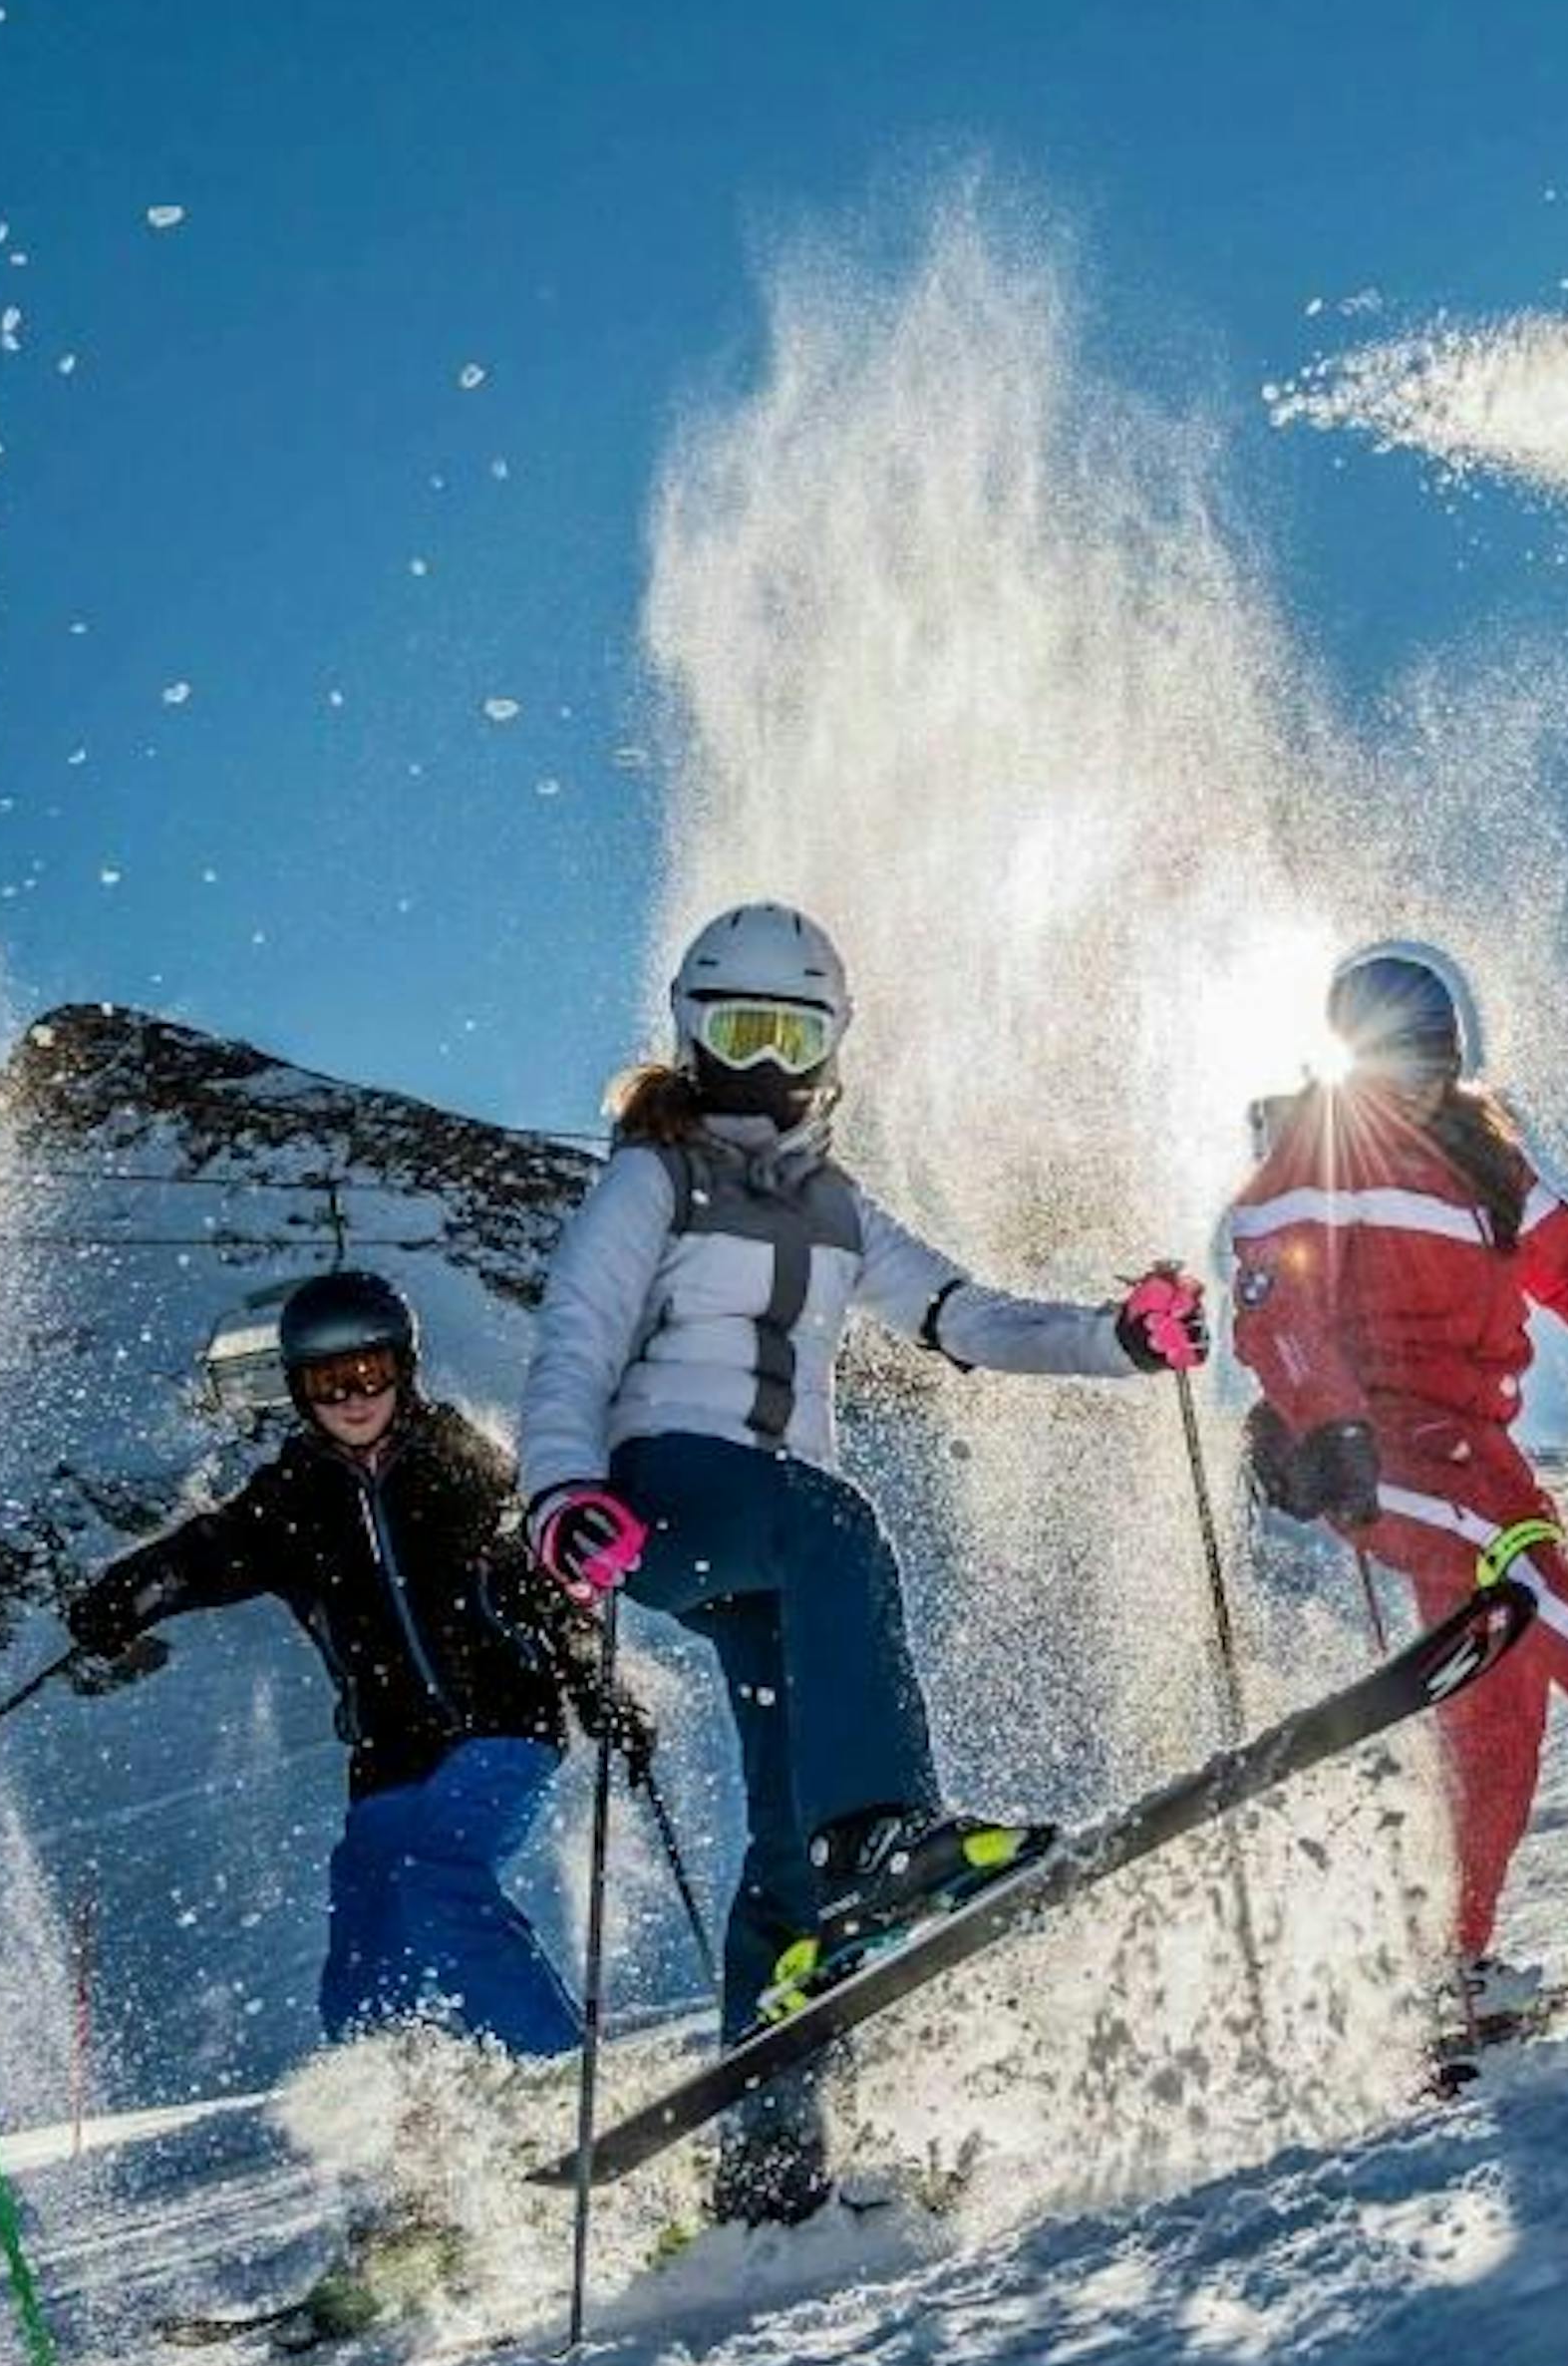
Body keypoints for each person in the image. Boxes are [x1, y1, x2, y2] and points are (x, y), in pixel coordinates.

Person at [515, 899, 1204, 2220]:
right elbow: (574, 1345)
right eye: (736, 1032)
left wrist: (1118, 1339)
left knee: (784, 1823)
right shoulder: (650, 1176)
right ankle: (884, 1843)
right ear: (687, 1034)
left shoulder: (838, 1207)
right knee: (839, 1531)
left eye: (791, 1034)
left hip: (772, 1533)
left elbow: (966, 1315)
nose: (763, 1067)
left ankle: (768, 2159)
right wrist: (560, 1495)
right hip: (665, 1493)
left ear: (831, 1045)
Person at [1225, 940, 1568, 2025]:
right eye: (1390, 1065)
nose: (1412, 1084)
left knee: (1498, 1717)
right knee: (1508, 1552)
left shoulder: (1488, 1162)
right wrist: (1323, 1423)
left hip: (1475, 1443)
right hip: (1372, 1451)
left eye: (1433, 1061)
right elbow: (1277, 1297)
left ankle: (1452, 1972)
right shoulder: (1314, 1152)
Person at [66, 1266, 634, 2058]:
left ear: (403, 1365)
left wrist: (597, 1683)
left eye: (369, 1372)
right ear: (299, 1391)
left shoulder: (462, 1461)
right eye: (329, 1382)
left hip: (503, 1722)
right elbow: (204, 1556)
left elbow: (545, 1585)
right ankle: (406, 2117)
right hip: (390, 1753)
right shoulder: (291, 1498)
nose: (353, 1397)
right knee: (367, 1934)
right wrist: (127, 1596)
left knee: (437, 1879)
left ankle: (555, 2062)